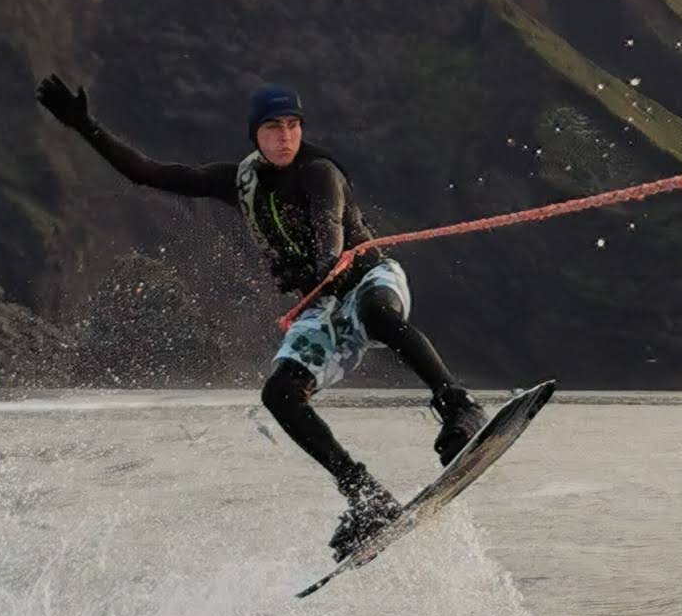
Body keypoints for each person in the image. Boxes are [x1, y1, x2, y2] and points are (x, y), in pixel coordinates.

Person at [36, 73, 487, 553]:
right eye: (273, 127)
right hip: (324, 307)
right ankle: (364, 495)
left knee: (378, 315)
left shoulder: (320, 172)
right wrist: (85, 128)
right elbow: (147, 173)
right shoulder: (238, 181)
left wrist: (322, 263)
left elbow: (329, 228)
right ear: (255, 133)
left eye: (293, 125)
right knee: (279, 393)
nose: (285, 136)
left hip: (367, 279)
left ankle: (460, 408)